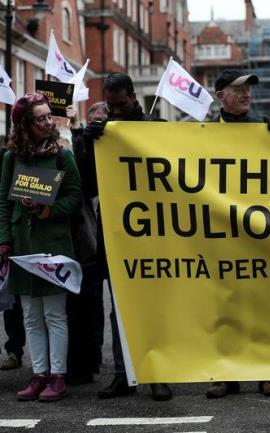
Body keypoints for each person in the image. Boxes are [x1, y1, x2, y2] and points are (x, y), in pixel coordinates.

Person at [81, 74, 173, 402]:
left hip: (151, 231)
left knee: (152, 306)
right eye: (110, 105)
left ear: (133, 97)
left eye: (121, 104)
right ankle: (124, 374)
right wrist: (87, 144)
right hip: (116, 231)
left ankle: (157, 376)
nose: (115, 111)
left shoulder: (155, 125)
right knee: (118, 308)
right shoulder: (102, 134)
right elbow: (88, 186)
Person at [206, 69, 270, 399]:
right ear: (220, 94)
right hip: (221, 232)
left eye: (249, 88)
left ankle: (267, 371)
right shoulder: (203, 133)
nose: (246, 94)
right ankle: (226, 373)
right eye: (238, 89)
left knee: (263, 301)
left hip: (259, 231)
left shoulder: (265, 128)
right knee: (226, 302)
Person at [0, 93, 83, 401]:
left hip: (54, 244)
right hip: (22, 245)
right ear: (24, 124)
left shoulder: (63, 155)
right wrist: (3, 240)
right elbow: (3, 203)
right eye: (41, 118)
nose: (48, 122)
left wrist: (48, 210)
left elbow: (75, 198)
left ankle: (57, 377)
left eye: (50, 116)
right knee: (31, 315)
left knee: (54, 314)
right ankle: (38, 375)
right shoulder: (11, 158)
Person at [60, 102, 109, 385]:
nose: (99, 125)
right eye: (95, 120)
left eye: (104, 120)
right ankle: (85, 359)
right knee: (83, 301)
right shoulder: (80, 147)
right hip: (87, 236)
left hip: (109, 233)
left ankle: (95, 357)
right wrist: (79, 132)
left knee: (99, 303)